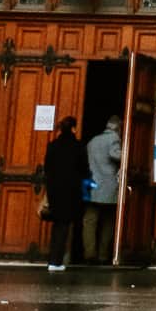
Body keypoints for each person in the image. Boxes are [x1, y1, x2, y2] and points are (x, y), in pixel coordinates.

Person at [40, 118, 87, 271]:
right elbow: (84, 169)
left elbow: (47, 168)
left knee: (57, 224)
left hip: (55, 189)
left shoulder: (52, 146)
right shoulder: (78, 146)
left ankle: (53, 260)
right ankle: (56, 261)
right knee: (64, 225)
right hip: (71, 190)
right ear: (73, 129)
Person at [83, 114, 123, 264]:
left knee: (90, 221)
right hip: (108, 186)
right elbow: (114, 154)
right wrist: (128, 155)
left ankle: (89, 253)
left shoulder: (93, 140)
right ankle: (103, 255)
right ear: (118, 127)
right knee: (108, 221)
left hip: (93, 185)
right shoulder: (114, 138)